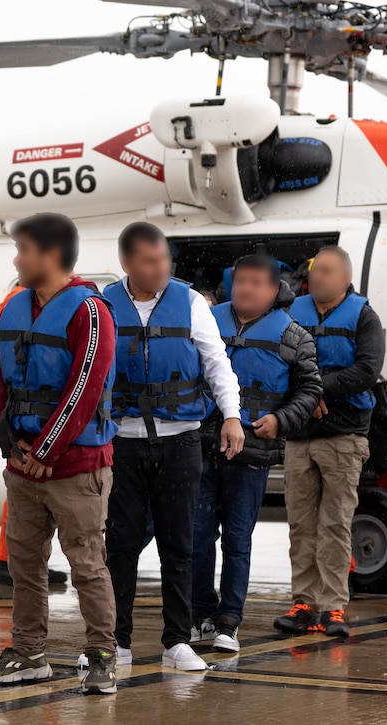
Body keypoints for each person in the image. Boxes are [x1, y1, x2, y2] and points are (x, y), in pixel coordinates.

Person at [0, 213, 120, 695]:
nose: (17, 259)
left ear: (51, 255)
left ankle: (102, 655)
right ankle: (28, 653)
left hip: (76, 469)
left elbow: (84, 387)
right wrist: (7, 443)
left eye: (23, 250)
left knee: (86, 566)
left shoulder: (91, 311)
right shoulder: (15, 306)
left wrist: (45, 450)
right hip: (21, 468)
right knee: (25, 567)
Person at [103, 222, 245, 671]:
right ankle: (116, 640)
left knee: (179, 544)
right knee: (121, 545)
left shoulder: (189, 302)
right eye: (150, 260)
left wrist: (232, 415)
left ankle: (176, 641)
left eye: (165, 258)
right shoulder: (103, 305)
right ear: (127, 263)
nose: (161, 267)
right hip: (122, 442)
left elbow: (216, 362)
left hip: (180, 441)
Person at [191, 255, 322, 652]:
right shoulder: (205, 320)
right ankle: (200, 614)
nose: (245, 289)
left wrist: (281, 421)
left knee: (237, 539)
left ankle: (229, 620)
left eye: (255, 283)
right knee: (196, 536)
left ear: (272, 289)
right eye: (240, 281)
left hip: (252, 454)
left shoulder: (294, 336)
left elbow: (310, 390)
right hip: (199, 448)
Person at [274, 246, 384, 638]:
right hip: (300, 436)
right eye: (314, 271)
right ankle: (303, 603)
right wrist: (308, 394)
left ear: (344, 277)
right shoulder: (289, 312)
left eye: (325, 271)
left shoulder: (364, 316)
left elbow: (368, 370)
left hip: (343, 436)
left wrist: (318, 389)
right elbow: (275, 360)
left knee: (336, 524)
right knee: (301, 524)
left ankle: (332, 607)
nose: (316, 277)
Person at [0, 284, 68, 589]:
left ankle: (13, 562)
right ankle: (11, 563)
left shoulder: (24, 300)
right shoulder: (23, 300)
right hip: (30, 418)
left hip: (30, 414)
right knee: (25, 497)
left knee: (24, 500)